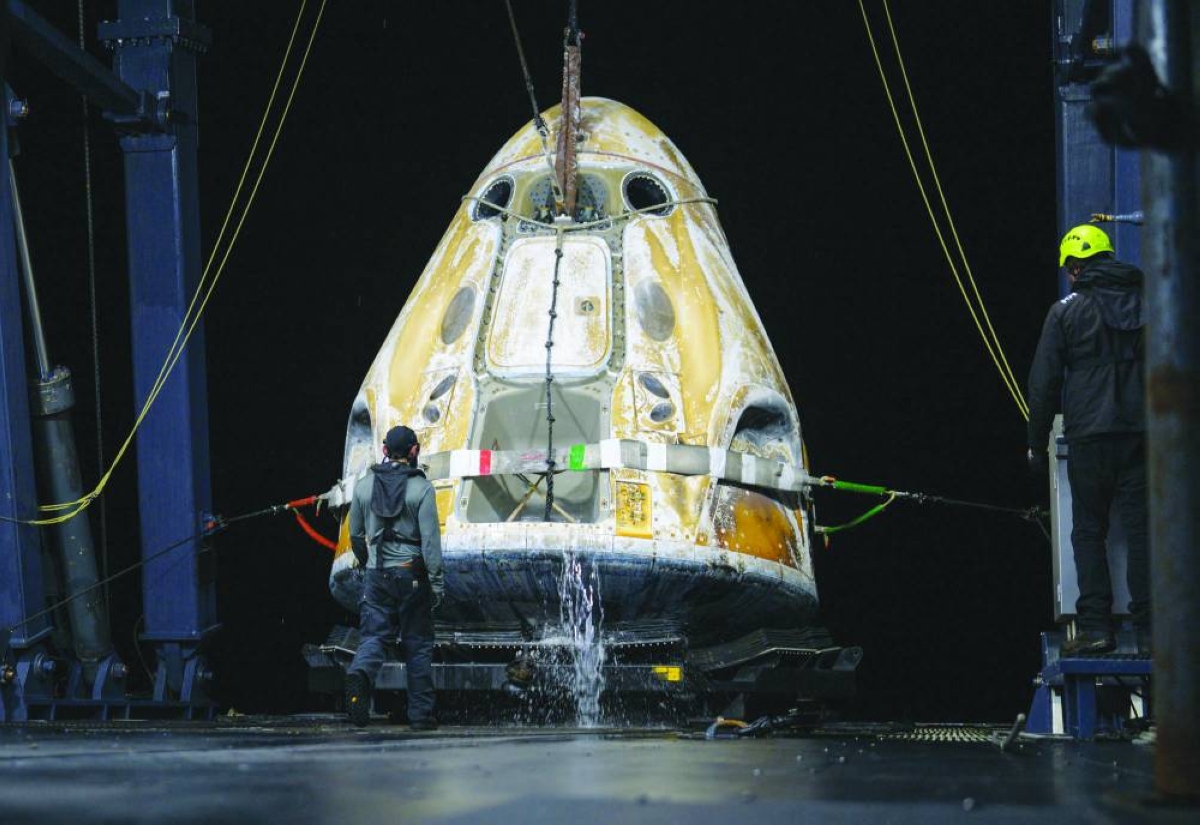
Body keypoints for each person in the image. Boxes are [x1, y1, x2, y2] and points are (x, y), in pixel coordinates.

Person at [1027, 224, 1150, 657]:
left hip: (1090, 437)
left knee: (1088, 532)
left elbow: (1043, 383)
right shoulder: (1147, 303)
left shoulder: (1065, 311)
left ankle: (1097, 628)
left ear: (1075, 268)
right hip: (1141, 435)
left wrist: (1034, 442)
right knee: (1143, 532)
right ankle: (1153, 632)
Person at [344, 425, 444, 728]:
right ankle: (420, 715)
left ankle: (360, 673)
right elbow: (430, 542)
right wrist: (437, 583)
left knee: (374, 637)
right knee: (417, 644)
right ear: (414, 451)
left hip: (376, 575)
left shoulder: (363, 487)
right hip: (411, 575)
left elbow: (355, 535)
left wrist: (367, 561)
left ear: (384, 451)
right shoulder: (422, 489)